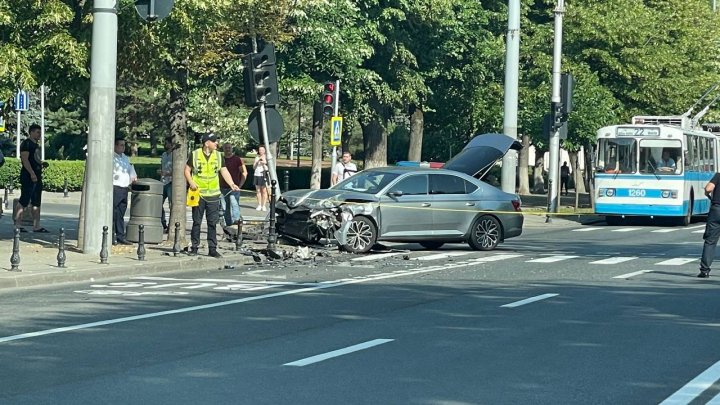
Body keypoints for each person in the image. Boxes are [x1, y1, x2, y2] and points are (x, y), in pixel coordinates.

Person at [184, 133, 239, 258]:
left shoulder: (219, 156)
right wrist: (191, 182)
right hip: (198, 193)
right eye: (214, 141)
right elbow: (187, 170)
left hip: (213, 194)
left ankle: (212, 249)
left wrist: (231, 184)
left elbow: (223, 170)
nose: (216, 144)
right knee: (197, 222)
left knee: (212, 223)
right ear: (206, 143)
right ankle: (194, 247)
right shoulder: (195, 154)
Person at [15, 124, 47, 233]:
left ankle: (36, 226)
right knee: (24, 200)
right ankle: (18, 225)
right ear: (31, 132)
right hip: (28, 176)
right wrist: (32, 173)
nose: (39, 135)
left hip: (37, 176)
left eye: (40, 132)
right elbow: (25, 160)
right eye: (38, 132)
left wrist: (41, 164)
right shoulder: (26, 144)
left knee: (36, 201)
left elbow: (34, 159)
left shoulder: (36, 145)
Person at [112, 136, 137, 245]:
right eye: (121, 145)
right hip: (115, 187)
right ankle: (111, 235)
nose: (123, 147)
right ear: (115, 146)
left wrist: (133, 177)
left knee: (121, 213)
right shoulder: (112, 158)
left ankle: (120, 236)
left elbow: (130, 169)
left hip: (124, 188)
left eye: (124, 145)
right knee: (113, 213)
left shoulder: (125, 158)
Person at [220, 142, 247, 226]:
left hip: (234, 187)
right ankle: (229, 225)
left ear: (232, 149)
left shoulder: (237, 159)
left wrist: (240, 185)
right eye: (226, 148)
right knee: (225, 207)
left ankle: (236, 222)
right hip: (222, 187)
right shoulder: (221, 159)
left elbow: (244, 172)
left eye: (229, 148)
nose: (227, 149)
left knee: (234, 203)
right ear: (223, 149)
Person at [699, 173, 720, 278]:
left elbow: (709, 188)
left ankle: (705, 270)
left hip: (716, 210)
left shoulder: (718, 175)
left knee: (710, 241)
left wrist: (707, 194)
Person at [159, 138, 173, 233]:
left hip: (171, 182)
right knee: (158, 203)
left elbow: (178, 170)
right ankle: (162, 223)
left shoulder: (175, 155)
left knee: (172, 204)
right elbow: (162, 165)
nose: (165, 144)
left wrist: (167, 173)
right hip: (163, 181)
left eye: (166, 143)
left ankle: (171, 226)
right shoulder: (164, 155)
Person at [253, 145, 269, 211]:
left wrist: (264, 163)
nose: (261, 151)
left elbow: (268, 168)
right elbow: (254, 167)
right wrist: (257, 162)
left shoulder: (267, 157)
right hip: (257, 174)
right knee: (258, 190)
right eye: (260, 150)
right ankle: (259, 204)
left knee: (264, 191)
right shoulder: (256, 157)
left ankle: (264, 205)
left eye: (262, 150)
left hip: (264, 175)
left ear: (264, 151)